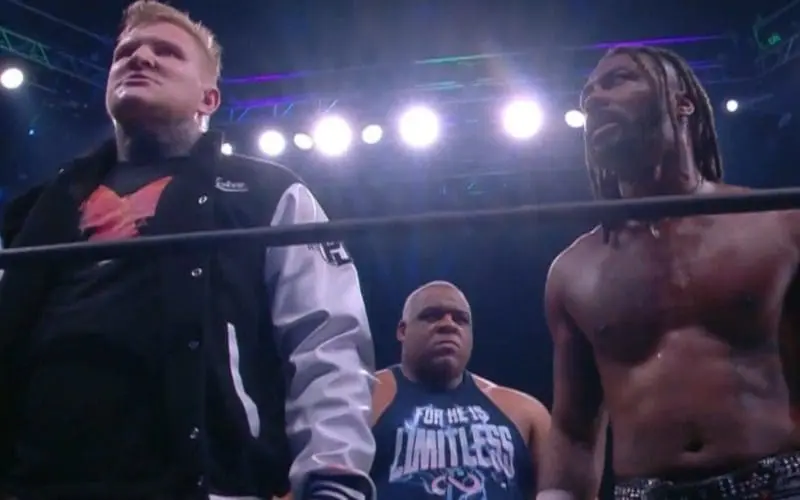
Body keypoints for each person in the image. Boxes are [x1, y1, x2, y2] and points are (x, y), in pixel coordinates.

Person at [0, 1, 375, 499]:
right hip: (33, 481)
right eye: (125, 52)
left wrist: (334, 479)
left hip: (204, 482)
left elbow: (325, 341)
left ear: (209, 98)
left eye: (167, 52)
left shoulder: (266, 193)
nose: (140, 58)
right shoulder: (40, 208)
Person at [537, 45, 800, 500]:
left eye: (617, 80)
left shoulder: (777, 225)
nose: (594, 98)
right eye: (587, 94)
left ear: (683, 103)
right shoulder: (573, 270)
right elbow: (573, 429)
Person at [371, 280, 561, 499]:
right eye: (432, 316)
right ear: (403, 330)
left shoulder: (524, 412)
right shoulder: (365, 397)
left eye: (460, 319)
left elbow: (565, 491)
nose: (448, 325)